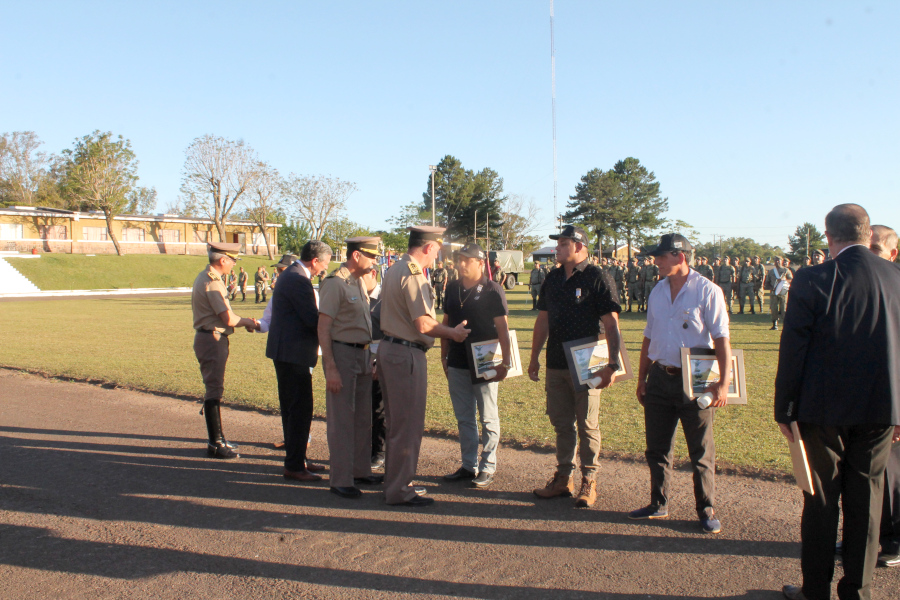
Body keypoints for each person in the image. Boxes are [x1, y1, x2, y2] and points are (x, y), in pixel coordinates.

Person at [776, 204, 900, 600]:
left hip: (823, 407)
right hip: (882, 406)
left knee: (821, 499)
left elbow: (794, 348)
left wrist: (785, 408)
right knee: (867, 499)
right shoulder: (895, 277)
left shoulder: (813, 278)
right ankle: (858, 591)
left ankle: (816, 590)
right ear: (867, 235)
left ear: (829, 237)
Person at [628, 234, 731, 534]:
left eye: (661, 256)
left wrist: (723, 384)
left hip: (695, 379)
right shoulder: (658, 291)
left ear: (680, 257)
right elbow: (649, 335)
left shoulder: (707, 291)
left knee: (700, 449)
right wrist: (642, 378)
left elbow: (722, 339)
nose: (655, 261)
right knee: (657, 447)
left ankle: (706, 508)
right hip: (660, 377)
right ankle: (658, 503)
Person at [528, 225, 623, 508]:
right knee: (561, 424)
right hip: (556, 362)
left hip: (588, 364)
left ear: (579, 246)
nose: (557, 247)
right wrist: (534, 357)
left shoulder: (598, 277)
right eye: (557, 243)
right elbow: (542, 320)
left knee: (587, 424)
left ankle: (589, 480)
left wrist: (613, 364)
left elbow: (611, 324)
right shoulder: (553, 278)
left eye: (563, 242)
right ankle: (563, 479)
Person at [377, 226, 470, 507]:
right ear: (430, 247)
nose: (438, 256)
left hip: (390, 350)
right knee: (407, 426)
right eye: (438, 250)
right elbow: (424, 324)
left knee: (396, 423)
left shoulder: (395, 268)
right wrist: (453, 333)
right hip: (406, 354)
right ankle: (400, 490)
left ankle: (393, 483)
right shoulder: (415, 275)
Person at [441, 243, 510, 489]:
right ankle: (468, 465)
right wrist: (444, 354)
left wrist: (507, 361)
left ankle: (487, 466)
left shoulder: (493, 289)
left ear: (480, 263)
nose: (461, 264)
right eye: (460, 259)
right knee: (464, 417)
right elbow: (447, 321)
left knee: (488, 417)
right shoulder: (452, 288)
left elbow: (502, 326)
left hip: (485, 361)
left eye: (466, 260)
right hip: (458, 360)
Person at [318, 236, 382, 499]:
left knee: (362, 417)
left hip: (363, 354)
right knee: (342, 418)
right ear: (356, 255)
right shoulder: (335, 284)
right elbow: (323, 328)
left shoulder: (358, 282)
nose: (375, 261)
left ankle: (359, 470)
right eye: (372, 256)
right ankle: (341, 478)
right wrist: (330, 367)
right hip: (342, 354)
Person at [266, 240, 333, 484]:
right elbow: (311, 319)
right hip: (293, 354)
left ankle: (298, 459)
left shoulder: (292, 275)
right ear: (315, 261)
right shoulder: (298, 279)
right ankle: (294, 465)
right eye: (324, 264)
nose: (324, 269)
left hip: (287, 352)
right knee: (300, 410)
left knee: (293, 409)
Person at [191, 242, 258, 459]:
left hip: (211, 337)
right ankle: (215, 443)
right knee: (214, 389)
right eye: (233, 260)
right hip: (212, 338)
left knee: (214, 388)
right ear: (223, 260)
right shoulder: (213, 283)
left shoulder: (207, 278)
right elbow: (228, 318)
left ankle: (217, 439)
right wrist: (251, 322)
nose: (234, 264)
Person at [869, 225, 900, 568]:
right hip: (869, 396)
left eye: (875, 248)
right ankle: (866, 538)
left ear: (892, 253)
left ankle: (894, 541)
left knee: (893, 474)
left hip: (895, 397)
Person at [363, 266, 386, 470]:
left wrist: (378, 361)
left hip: (380, 361)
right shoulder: (356, 296)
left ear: (373, 274)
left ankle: (379, 452)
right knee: (363, 408)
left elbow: (389, 333)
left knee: (379, 409)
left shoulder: (386, 298)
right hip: (360, 359)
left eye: (363, 276)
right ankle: (364, 450)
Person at [252, 254, 297, 334]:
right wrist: (255, 325)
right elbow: (267, 321)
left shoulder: (308, 293)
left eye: (282, 271)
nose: (279, 275)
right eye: (278, 271)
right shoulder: (278, 295)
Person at [764, 256, 792, 330]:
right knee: (774, 308)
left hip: (783, 292)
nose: (777, 262)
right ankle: (775, 324)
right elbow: (767, 282)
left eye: (779, 260)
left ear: (782, 261)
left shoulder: (786, 270)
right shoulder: (771, 271)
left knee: (784, 308)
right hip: (774, 292)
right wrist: (771, 288)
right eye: (776, 260)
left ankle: (786, 325)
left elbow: (791, 280)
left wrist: (784, 281)